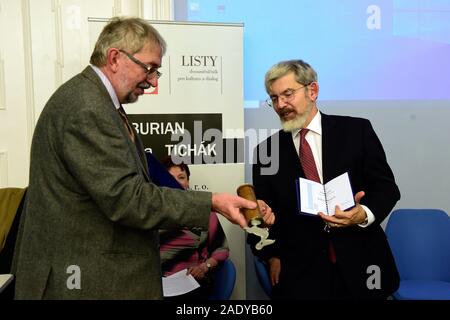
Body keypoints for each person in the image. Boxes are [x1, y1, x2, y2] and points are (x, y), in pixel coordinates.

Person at [12, 16, 274, 300]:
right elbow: (129, 199)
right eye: (149, 68)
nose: (151, 81)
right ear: (115, 58)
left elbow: (148, 185)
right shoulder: (87, 107)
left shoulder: (102, 104)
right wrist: (212, 202)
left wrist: (224, 203)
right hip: (81, 281)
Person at [249, 59, 400, 300]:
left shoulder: (356, 131)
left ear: (313, 91)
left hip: (363, 262)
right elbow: (262, 216)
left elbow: (386, 188)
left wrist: (363, 214)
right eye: (274, 98)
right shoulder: (267, 152)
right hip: (302, 274)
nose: (280, 105)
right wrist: (272, 255)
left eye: (287, 94)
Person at [159, 157, 229, 300]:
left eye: (181, 177)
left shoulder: (205, 212)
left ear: (188, 182)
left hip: (193, 281)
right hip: (157, 284)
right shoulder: (151, 213)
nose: (177, 182)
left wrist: (204, 267)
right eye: (170, 178)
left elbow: (221, 249)